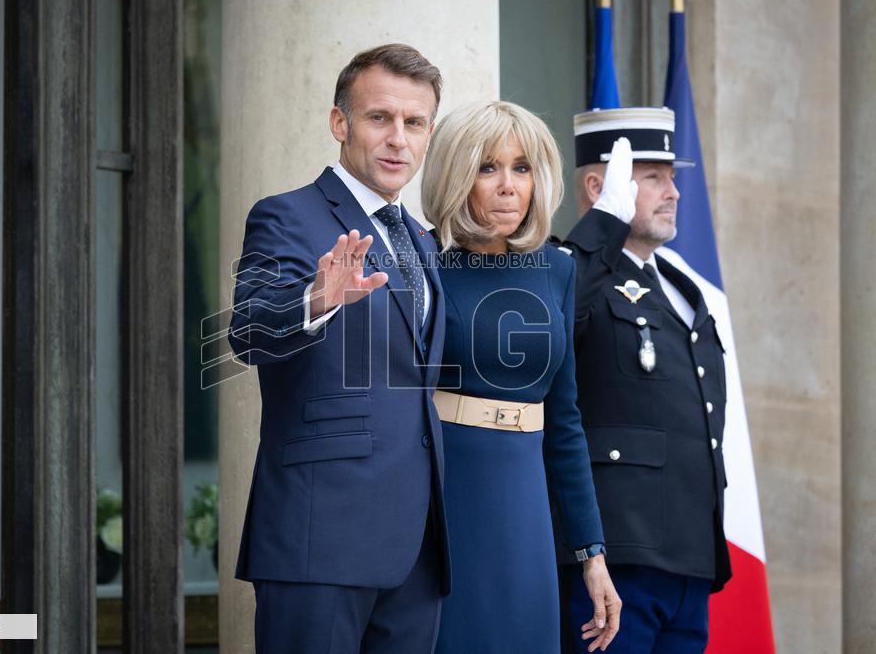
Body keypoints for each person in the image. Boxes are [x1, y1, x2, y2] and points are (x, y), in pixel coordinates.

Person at [228, 44, 449, 653]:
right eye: (380, 117)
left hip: (418, 551)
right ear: (340, 123)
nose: (398, 139)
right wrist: (315, 301)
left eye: (415, 123)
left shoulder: (423, 242)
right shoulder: (286, 216)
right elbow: (246, 332)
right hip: (318, 541)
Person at [421, 100, 620, 653]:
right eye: (487, 167)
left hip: (527, 503)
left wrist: (592, 554)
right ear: (455, 175)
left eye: (521, 167)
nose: (508, 186)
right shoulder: (421, 264)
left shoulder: (557, 269)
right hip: (445, 495)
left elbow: (566, 423)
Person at [553, 107, 731, 653]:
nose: (673, 191)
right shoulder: (572, 268)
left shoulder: (680, 283)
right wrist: (600, 229)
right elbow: (553, 321)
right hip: (615, 557)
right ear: (597, 185)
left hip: (687, 555)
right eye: (653, 176)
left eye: (671, 176)